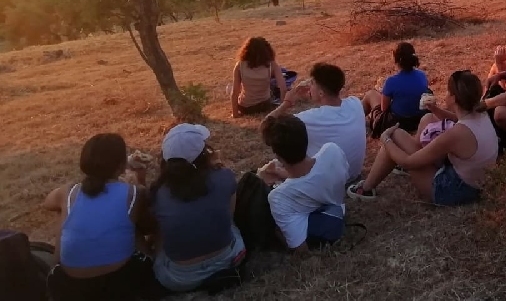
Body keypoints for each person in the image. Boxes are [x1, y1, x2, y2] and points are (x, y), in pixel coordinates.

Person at [347, 71, 498, 205]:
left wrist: (385, 139)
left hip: (453, 189)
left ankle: (366, 188)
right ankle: (373, 182)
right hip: (476, 181)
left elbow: (408, 162)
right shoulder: (480, 112)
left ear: (453, 98)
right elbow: (456, 119)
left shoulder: (456, 134)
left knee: (394, 136)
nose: (445, 95)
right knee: (418, 124)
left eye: (448, 92)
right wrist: (434, 109)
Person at [42, 134, 155, 301]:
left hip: (69, 288)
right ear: (121, 166)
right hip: (121, 283)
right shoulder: (134, 192)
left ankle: (59, 263)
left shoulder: (69, 191)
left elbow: (47, 203)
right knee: (131, 222)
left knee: (63, 212)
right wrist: (140, 179)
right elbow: (148, 224)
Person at [150, 124, 245, 293]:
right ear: (204, 155)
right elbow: (229, 216)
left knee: (159, 232)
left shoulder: (158, 192)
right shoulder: (224, 176)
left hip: (179, 279)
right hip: (229, 260)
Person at [259, 115, 350, 253]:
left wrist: (277, 232)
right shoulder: (332, 151)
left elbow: (300, 248)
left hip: (321, 222)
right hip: (336, 205)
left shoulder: (279, 197)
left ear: (278, 156)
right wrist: (280, 172)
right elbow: (311, 178)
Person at [263, 63, 366, 181]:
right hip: (354, 174)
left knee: (277, 165)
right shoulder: (355, 103)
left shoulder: (309, 119)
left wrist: (287, 102)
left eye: (312, 83)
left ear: (321, 93)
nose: (308, 86)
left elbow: (265, 126)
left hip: (330, 182)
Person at [362, 42, 429, 138]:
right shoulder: (422, 75)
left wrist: (383, 92)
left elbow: (384, 108)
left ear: (396, 60)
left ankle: (355, 121)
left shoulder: (391, 81)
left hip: (398, 123)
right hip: (417, 120)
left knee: (371, 94)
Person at [232, 37, 284, 117]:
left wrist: (235, 114)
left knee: (230, 88)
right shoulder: (272, 65)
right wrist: (282, 108)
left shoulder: (240, 65)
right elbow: (283, 88)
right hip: (265, 105)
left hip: (245, 107)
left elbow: (235, 92)